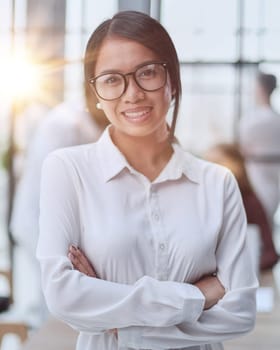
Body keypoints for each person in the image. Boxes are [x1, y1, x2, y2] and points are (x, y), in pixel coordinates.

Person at [37, 11, 258, 350]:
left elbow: (240, 311)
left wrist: (121, 323)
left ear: (172, 80)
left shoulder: (217, 183)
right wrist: (199, 295)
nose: (132, 93)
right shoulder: (68, 170)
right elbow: (63, 296)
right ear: (95, 92)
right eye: (112, 79)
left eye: (148, 73)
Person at [10, 84, 109, 327]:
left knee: (60, 303)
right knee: (57, 304)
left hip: (47, 222)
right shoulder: (66, 125)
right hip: (39, 222)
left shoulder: (84, 123)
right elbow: (61, 190)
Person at [205, 143, 279, 271]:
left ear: (236, 165)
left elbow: (269, 253)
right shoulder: (207, 203)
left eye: (217, 163)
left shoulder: (249, 202)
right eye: (208, 164)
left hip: (251, 278)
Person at [239, 71, 280, 228]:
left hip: (255, 175)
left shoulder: (250, 122)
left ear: (260, 89)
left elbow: (243, 148)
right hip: (275, 177)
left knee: (258, 217)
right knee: (267, 217)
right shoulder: (277, 120)